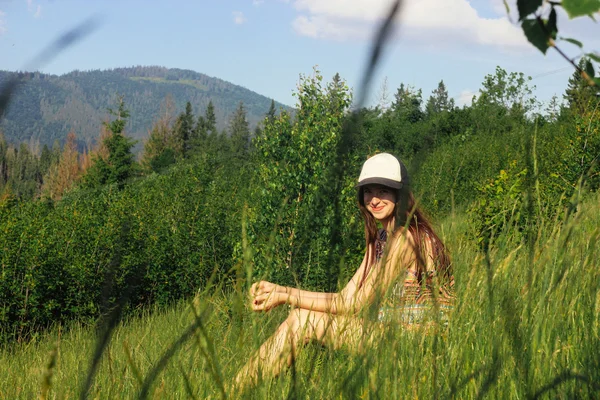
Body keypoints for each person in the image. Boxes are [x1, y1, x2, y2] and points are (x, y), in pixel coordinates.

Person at [234, 152, 454, 388]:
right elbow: (345, 297)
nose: (374, 199)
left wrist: (285, 295)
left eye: (383, 190)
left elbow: (354, 305)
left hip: (418, 344)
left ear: (400, 194)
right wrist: (281, 291)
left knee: (301, 319)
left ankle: (233, 392)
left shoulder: (405, 240)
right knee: (300, 316)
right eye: (368, 191)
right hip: (392, 334)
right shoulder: (381, 238)